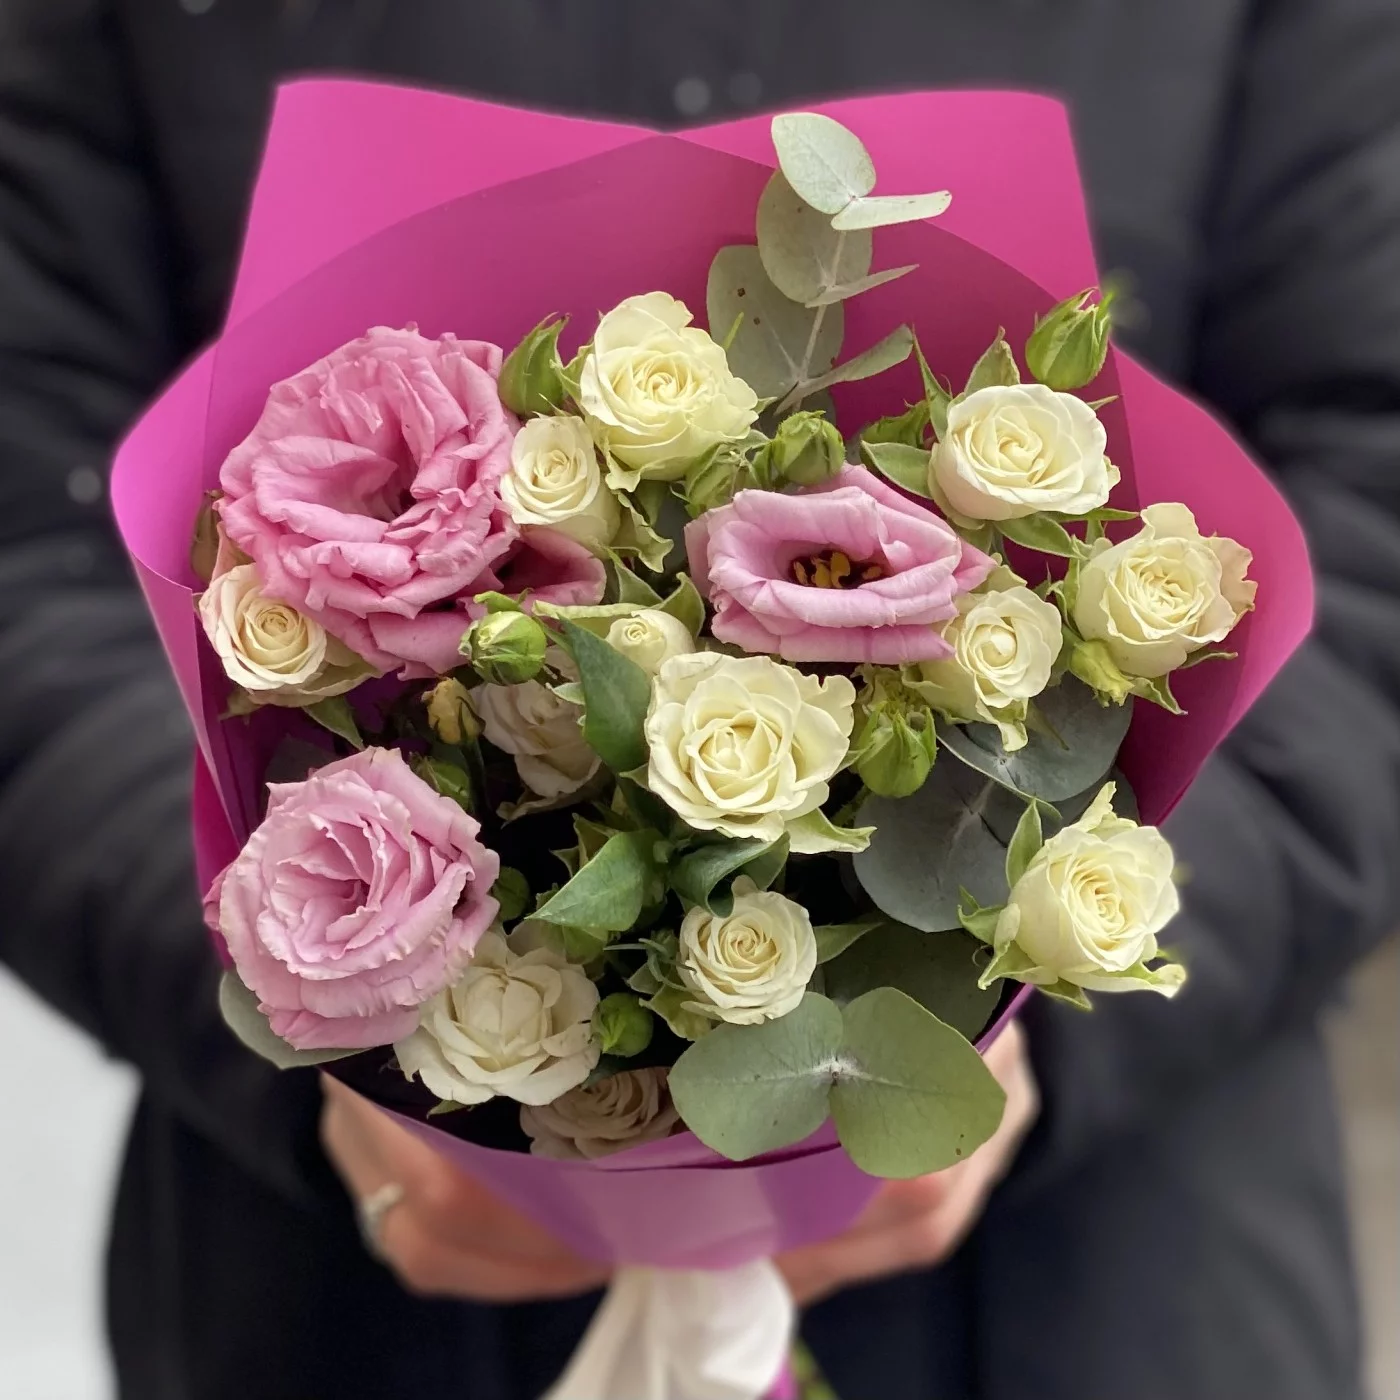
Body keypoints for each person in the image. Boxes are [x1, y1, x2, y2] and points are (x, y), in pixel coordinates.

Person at [2, 2, 1398, 1397]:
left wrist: (1060, 975)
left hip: (1112, 1282)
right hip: (358, 1295)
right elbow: (26, 541)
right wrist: (312, 999)